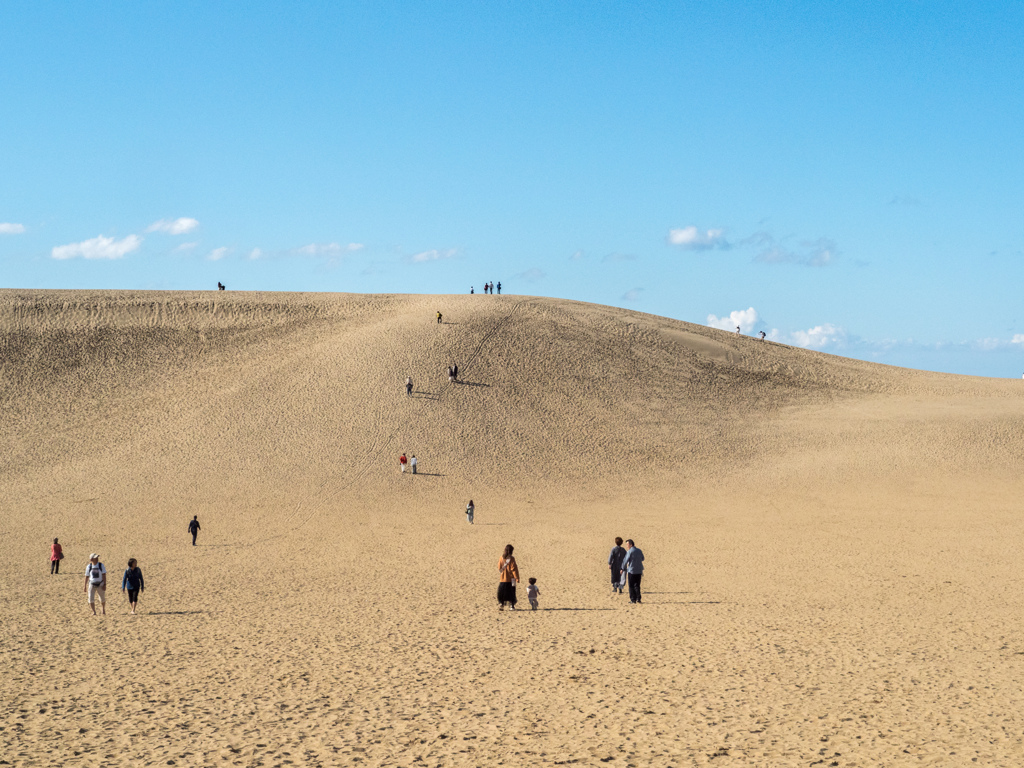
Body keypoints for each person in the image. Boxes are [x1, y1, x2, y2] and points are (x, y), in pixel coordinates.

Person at [498, 544, 520, 610]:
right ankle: (511, 605)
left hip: (502, 579)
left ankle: (501, 605)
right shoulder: (512, 558)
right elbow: (514, 569)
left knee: (502, 592)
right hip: (511, 579)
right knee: (511, 592)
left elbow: (499, 567)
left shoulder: (501, 558)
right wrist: (517, 577)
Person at [622, 539, 645, 604]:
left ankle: (633, 599)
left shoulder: (629, 551)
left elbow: (625, 561)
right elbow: (643, 558)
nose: (627, 546)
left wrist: (622, 568)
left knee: (631, 585)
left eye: (627, 544)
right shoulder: (639, 550)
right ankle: (638, 598)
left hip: (631, 570)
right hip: (639, 570)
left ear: (631, 544)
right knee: (637, 585)